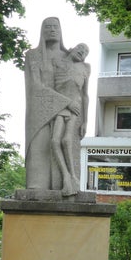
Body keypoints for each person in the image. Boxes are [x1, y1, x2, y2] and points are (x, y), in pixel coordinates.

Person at [24, 17, 85, 191]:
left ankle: (67, 181)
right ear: (42, 31)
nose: (52, 30)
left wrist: (83, 118)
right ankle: (41, 183)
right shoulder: (33, 55)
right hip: (41, 111)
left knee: (64, 142)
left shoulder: (69, 57)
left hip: (66, 112)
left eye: (55, 27)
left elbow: (80, 89)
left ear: (60, 30)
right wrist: (66, 102)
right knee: (41, 147)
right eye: (48, 27)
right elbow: (35, 86)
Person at [51, 43, 90, 195]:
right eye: (81, 48)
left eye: (86, 52)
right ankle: (66, 175)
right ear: (73, 48)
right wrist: (67, 102)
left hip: (75, 109)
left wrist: (86, 121)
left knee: (67, 140)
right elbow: (51, 89)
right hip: (61, 106)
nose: (83, 52)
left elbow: (85, 95)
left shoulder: (85, 68)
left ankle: (73, 176)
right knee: (54, 141)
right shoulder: (58, 63)